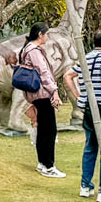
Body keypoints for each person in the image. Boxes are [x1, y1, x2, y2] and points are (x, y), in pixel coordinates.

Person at [64, 29, 101, 202]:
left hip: (87, 108)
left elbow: (68, 76)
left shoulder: (86, 57)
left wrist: (78, 95)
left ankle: (85, 185)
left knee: (91, 147)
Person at [19, 23, 65, 178]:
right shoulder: (34, 51)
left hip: (36, 94)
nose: (47, 37)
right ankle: (49, 165)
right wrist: (54, 91)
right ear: (40, 34)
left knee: (43, 129)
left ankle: (42, 163)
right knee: (49, 130)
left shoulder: (27, 50)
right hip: (42, 94)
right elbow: (43, 72)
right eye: (46, 34)